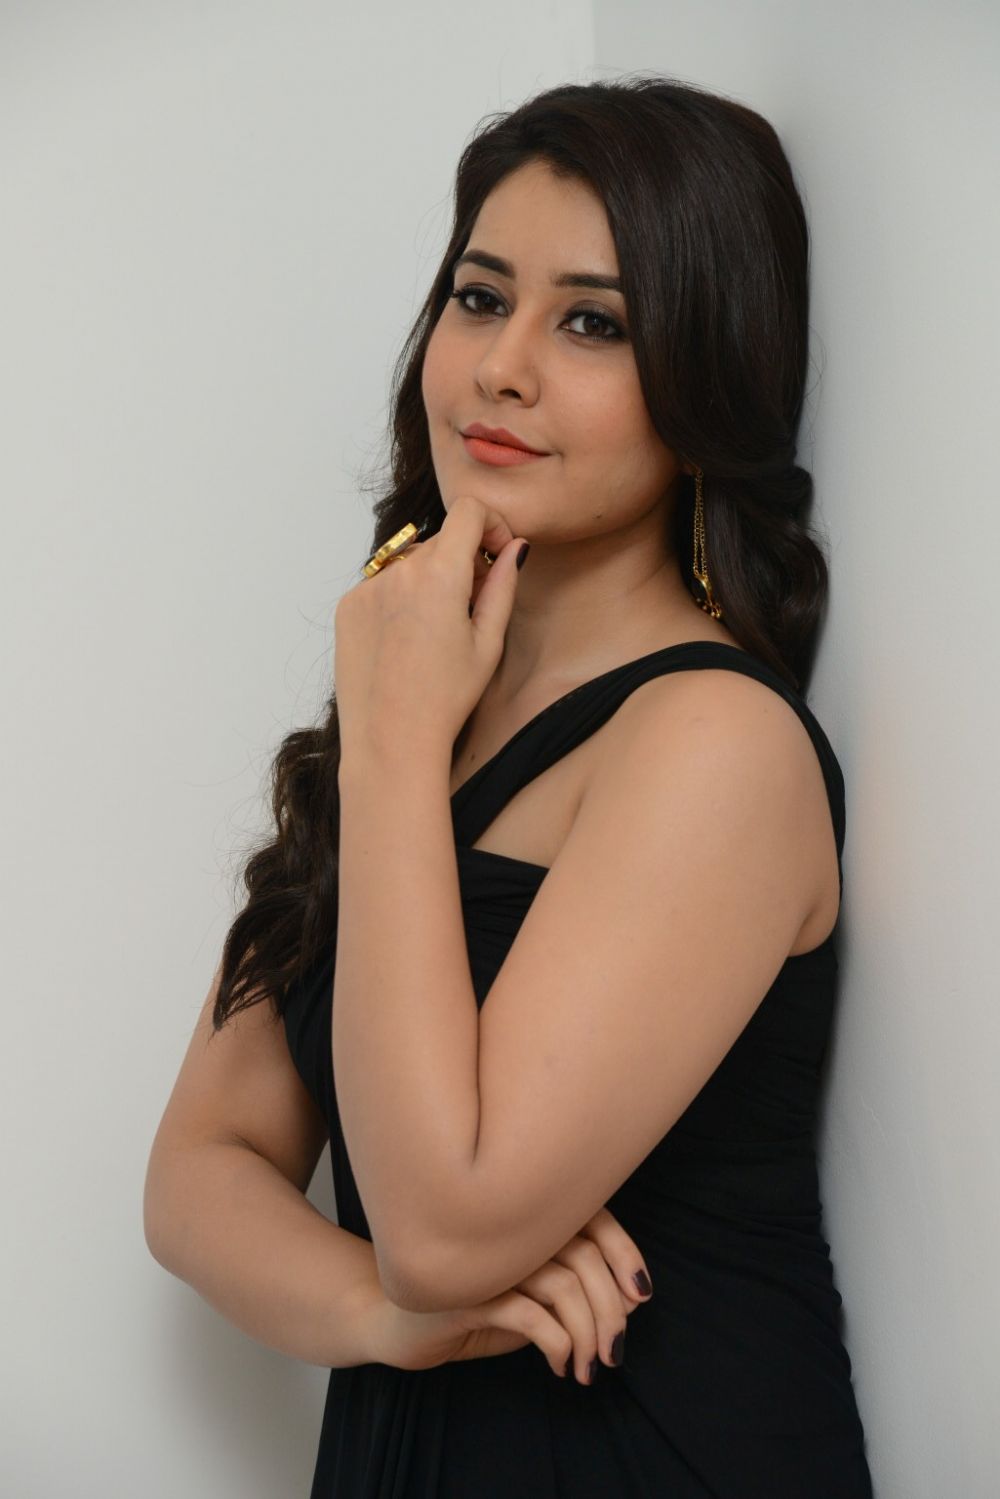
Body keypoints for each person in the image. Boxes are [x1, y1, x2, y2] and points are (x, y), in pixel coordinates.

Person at [144, 74, 874, 1496]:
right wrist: (385, 1319)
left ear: (705, 375)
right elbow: (200, 1168)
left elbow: (443, 1224)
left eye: (592, 323)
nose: (501, 367)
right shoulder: (421, 700)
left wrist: (395, 745)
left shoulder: (715, 740)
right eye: (480, 299)